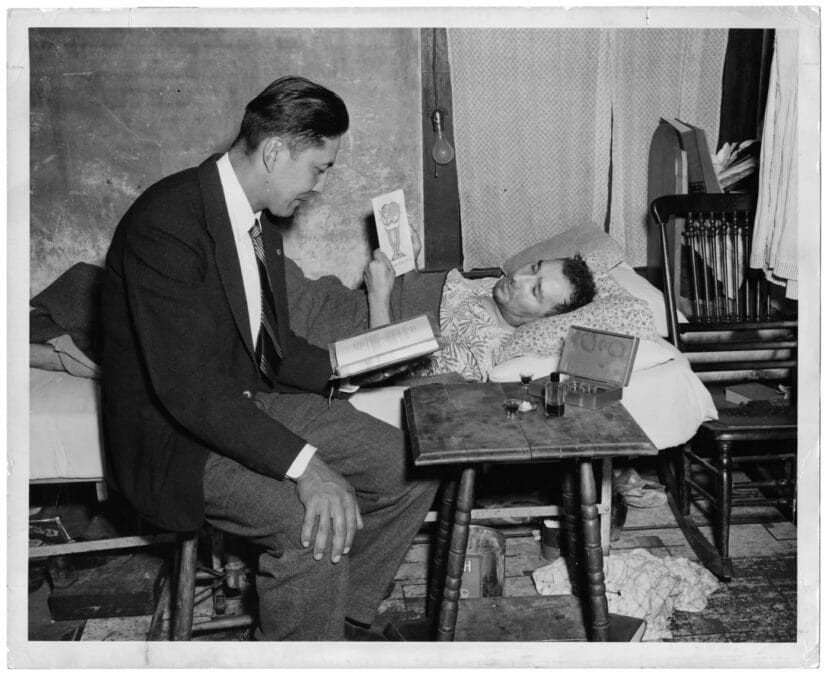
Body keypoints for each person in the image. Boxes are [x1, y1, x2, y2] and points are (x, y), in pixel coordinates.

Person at [101, 76, 438, 641]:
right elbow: (189, 393)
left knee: (411, 467)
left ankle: (339, 622)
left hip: (243, 404)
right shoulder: (166, 224)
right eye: (319, 169)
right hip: (176, 437)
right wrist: (307, 466)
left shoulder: (259, 230)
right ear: (276, 151)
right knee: (311, 522)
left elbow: (270, 347)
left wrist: (347, 369)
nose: (320, 186)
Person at [286, 248, 596, 382]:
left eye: (535, 290)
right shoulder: (492, 287)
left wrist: (377, 295)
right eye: (534, 267)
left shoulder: (478, 353)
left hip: (320, 333)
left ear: (543, 319)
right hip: (326, 296)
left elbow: (381, 374)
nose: (520, 278)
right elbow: (414, 298)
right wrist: (408, 262)